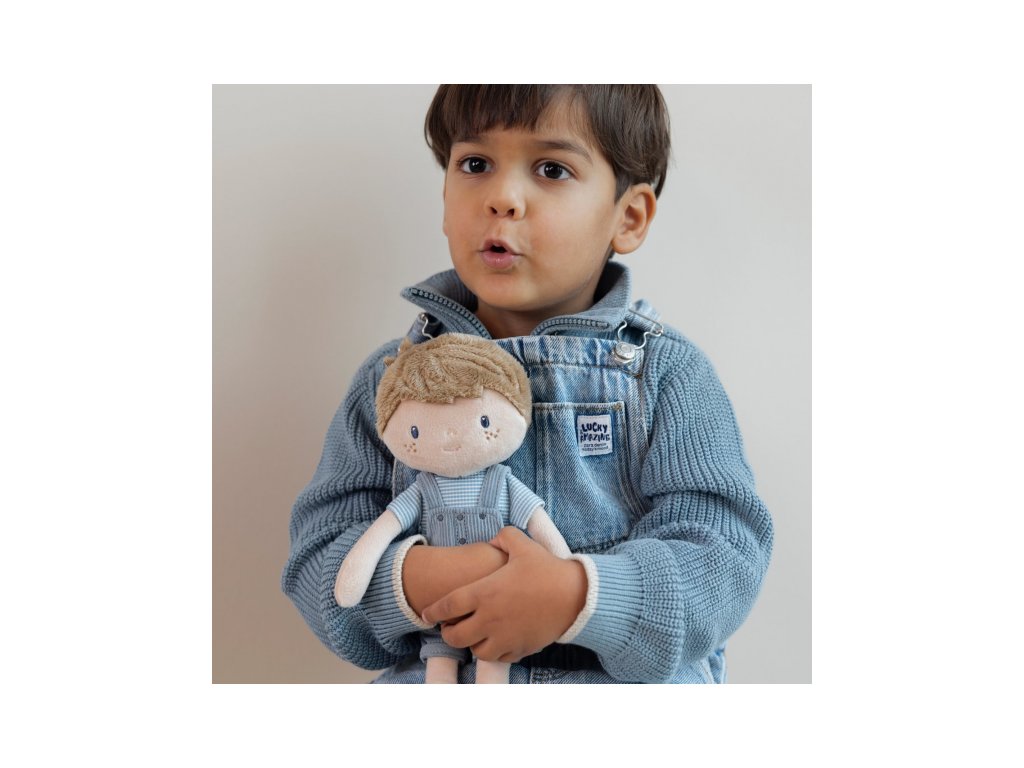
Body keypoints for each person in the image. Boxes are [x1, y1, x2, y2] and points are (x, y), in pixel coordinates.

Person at [282, 84, 774, 684]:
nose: (502, 198)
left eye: (551, 169)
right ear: (444, 198)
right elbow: (320, 557)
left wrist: (577, 596)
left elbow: (724, 556)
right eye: (475, 164)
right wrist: (420, 580)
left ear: (628, 217)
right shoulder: (392, 381)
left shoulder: (665, 377)